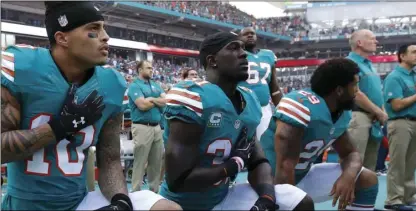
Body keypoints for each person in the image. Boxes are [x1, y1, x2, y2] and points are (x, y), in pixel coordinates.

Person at [0, 2, 180, 210]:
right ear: (62, 38)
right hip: (26, 204)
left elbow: (110, 158)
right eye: (93, 29)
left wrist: (120, 201)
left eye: (103, 28)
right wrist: (60, 128)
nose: (105, 36)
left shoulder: (111, 83)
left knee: (167, 208)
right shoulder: (21, 66)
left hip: (79, 201)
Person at [159, 32, 314, 210]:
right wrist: (233, 166)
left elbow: (258, 161)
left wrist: (267, 197)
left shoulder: (250, 100)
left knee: (300, 201)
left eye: (242, 48)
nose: (243, 53)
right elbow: (178, 181)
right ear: (212, 61)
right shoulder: (194, 97)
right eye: (233, 48)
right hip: (182, 204)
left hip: (223, 197)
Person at [262, 58, 379, 210]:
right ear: (339, 90)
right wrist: (293, 202)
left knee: (366, 179)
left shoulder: (339, 113)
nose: (357, 91)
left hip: (302, 175)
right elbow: (285, 166)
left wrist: (348, 176)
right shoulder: (301, 106)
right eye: (354, 85)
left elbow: (351, 154)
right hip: (270, 182)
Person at [383, 44, 416, 210]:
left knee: (411, 163)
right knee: (398, 163)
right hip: (400, 123)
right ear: (402, 56)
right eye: (414, 52)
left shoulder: (415, 77)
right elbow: (397, 105)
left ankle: (409, 197)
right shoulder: (394, 77)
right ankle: (393, 200)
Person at [346, 29, 388, 172]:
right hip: (358, 117)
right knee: (353, 167)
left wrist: (381, 110)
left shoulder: (369, 65)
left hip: (373, 119)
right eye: (372, 38)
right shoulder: (349, 63)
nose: (376, 41)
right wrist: (379, 111)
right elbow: (356, 93)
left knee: (368, 170)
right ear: (359, 42)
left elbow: (376, 92)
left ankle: (365, 195)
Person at [127, 60, 166, 193]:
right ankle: (135, 192)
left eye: (152, 67)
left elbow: (166, 101)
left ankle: (153, 192)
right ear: (140, 70)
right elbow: (142, 105)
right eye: (148, 68)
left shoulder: (155, 84)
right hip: (142, 127)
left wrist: (151, 99)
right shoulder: (134, 86)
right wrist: (157, 101)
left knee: (156, 162)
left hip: (157, 127)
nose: (151, 70)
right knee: (140, 161)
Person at [239, 27, 282, 140]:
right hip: (243, 108)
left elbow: (274, 86)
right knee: (243, 145)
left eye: (252, 33)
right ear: (239, 38)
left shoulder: (268, 55)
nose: (250, 35)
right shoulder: (236, 55)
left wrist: (282, 109)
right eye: (245, 34)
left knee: (265, 144)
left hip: (264, 108)